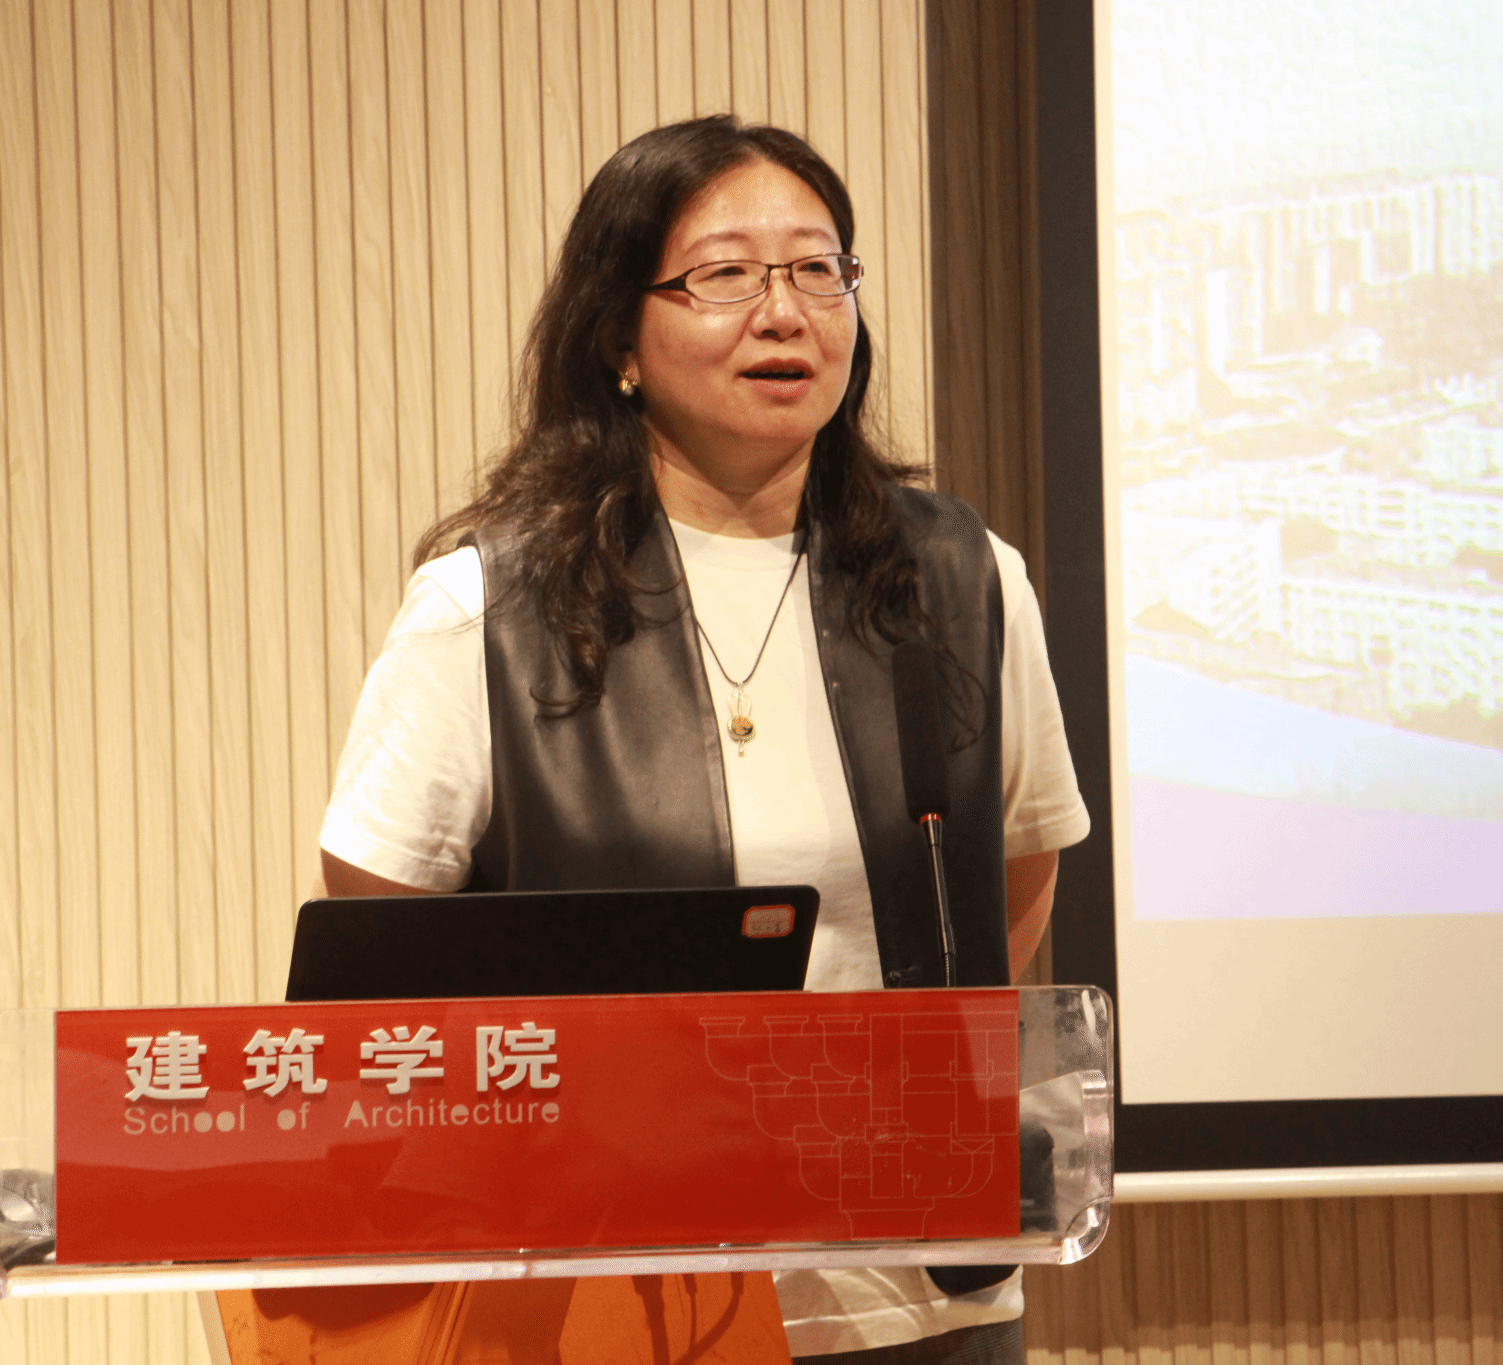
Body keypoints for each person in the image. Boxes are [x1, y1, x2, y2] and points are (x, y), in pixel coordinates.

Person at [319, 115, 1089, 1363]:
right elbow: (381, 924)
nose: (783, 313)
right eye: (724, 275)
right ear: (618, 338)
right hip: (614, 1292)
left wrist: (902, 1087)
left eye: (817, 270)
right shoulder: (490, 606)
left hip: (918, 1290)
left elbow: (1013, 872)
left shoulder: (961, 577)